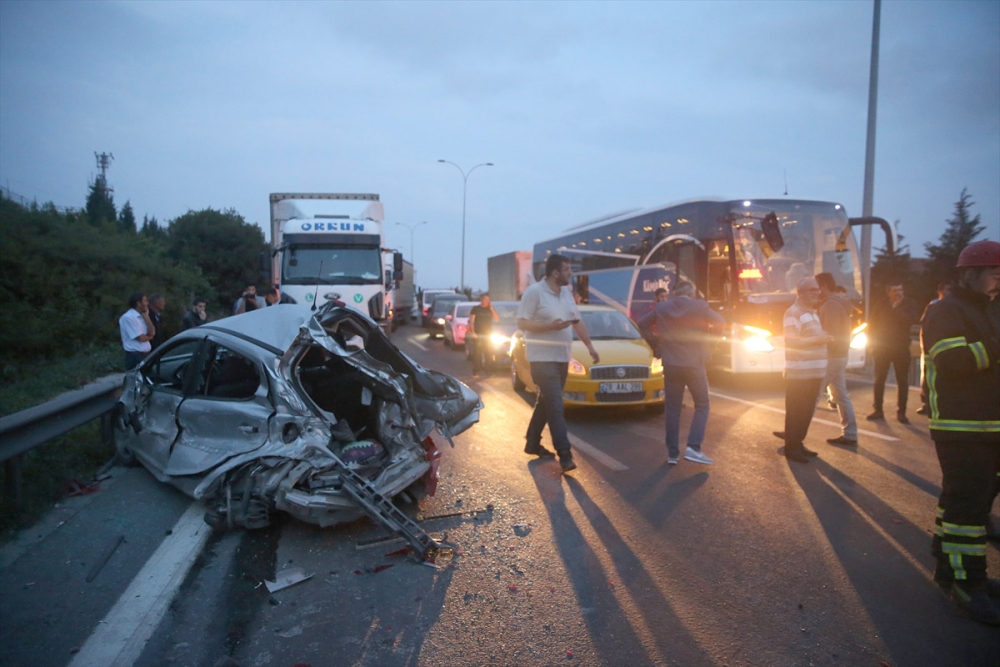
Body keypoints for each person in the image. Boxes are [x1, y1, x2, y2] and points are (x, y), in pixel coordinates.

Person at [921, 239, 1000, 625]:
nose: (998, 281)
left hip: (988, 425)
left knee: (967, 499)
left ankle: (947, 564)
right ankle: (970, 583)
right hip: (960, 426)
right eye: (993, 273)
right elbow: (954, 361)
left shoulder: (987, 309)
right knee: (967, 511)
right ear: (969, 274)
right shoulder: (944, 310)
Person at [517, 254, 600, 473]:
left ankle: (532, 442)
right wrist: (548, 327)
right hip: (542, 360)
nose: (571, 273)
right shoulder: (534, 292)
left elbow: (577, 321)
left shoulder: (566, 293)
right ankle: (565, 455)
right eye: (567, 269)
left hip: (562, 357)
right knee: (555, 405)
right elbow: (521, 322)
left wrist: (590, 346)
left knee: (546, 403)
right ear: (555, 273)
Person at [637, 279, 724, 465]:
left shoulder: (662, 308)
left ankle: (672, 453)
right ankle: (694, 446)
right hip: (694, 364)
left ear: (674, 294)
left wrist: (657, 344)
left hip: (671, 364)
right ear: (691, 293)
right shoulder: (700, 306)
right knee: (702, 404)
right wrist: (710, 346)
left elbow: (642, 323)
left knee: (673, 408)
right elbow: (720, 322)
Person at [776, 278, 833, 463]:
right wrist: (819, 340)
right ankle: (791, 448)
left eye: (817, 290)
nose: (817, 293)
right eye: (812, 290)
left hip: (814, 372)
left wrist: (823, 338)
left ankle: (798, 443)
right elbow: (791, 342)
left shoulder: (813, 313)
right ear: (800, 293)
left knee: (806, 411)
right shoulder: (793, 313)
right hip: (799, 373)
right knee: (796, 411)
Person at [815, 273, 858, 447]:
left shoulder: (831, 305)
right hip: (840, 354)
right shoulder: (839, 302)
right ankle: (850, 434)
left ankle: (794, 434)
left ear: (824, 286)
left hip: (831, 356)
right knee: (840, 395)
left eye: (816, 287)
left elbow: (828, 334)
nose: (815, 291)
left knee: (812, 394)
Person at [867, 282, 919, 423]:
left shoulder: (909, 304)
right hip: (882, 348)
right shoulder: (881, 304)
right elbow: (872, 325)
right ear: (888, 292)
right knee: (879, 379)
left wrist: (897, 309)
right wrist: (871, 344)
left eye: (900, 289)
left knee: (902, 380)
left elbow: (911, 320)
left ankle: (901, 412)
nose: (898, 293)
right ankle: (878, 409)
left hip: (901, 348)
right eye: (895, 290)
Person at [917, 282, 951, 416]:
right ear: (940, 291)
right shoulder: (933, 305)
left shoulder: (953, 306)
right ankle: (926, 403)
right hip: (930, 348)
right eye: (947, 290)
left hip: (945, 347)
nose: (949, 293)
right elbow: (925, 325)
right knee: (927, 377)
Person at [119, 291, 156, 370]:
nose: (147, 303)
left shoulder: (142, 316)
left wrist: (147, 317)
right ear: (139, 303)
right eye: (145, 301)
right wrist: (150, 337)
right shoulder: (128, 318)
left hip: (146, 355)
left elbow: (152, 332)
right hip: (135, 356)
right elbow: (141, 338)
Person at [468, 293, 499, 375]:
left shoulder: (490, 309)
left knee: (488, 353)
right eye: (485, 299)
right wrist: (473, 332)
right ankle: (476, 371)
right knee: (477, 354)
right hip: (478, 334)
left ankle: (488, 370)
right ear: (481, 299)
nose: (486, 301)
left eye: (488, 300)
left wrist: (492, 308)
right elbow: (471, 321)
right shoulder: (476, 309)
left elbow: (496, 318)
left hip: (488, 334)